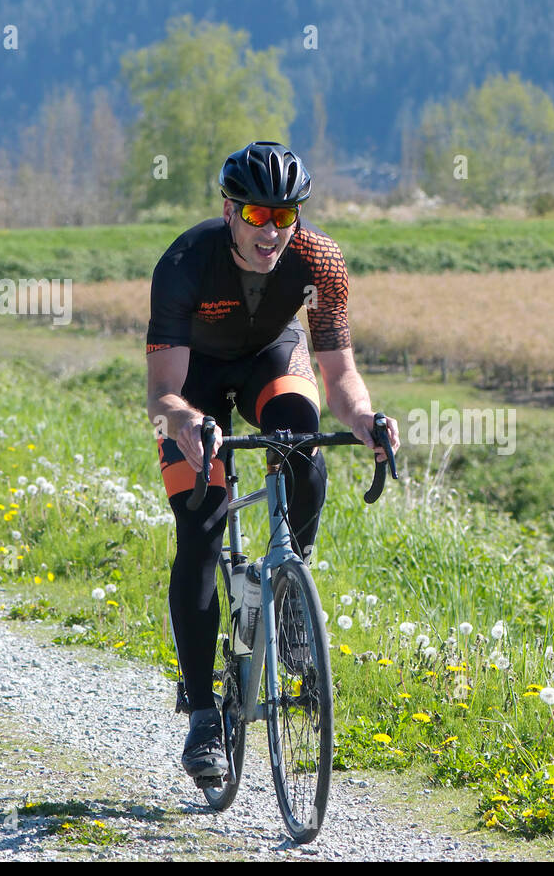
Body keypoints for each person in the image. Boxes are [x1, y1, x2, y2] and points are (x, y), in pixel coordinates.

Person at [144, 141, 400, 779]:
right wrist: (186, 423)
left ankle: (288, 591)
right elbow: (162, 391)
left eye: (285, 217)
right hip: (193, 384)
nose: (271, 231)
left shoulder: (321, 261)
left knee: (304, 451)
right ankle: (204, 713)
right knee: (199, 533)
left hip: (271, 359)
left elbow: (340, 376)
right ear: (230, 210)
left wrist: (367, 419)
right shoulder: (183, 262)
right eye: (257, 215)